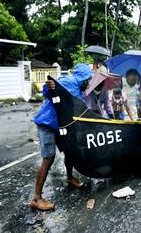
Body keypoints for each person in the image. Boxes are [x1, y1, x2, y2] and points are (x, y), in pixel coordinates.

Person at [30, 63, 93, 212]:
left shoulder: (79, 91)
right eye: (88, 79)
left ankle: (70, 177)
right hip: (47, 123)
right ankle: (36, 198)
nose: (89, 83)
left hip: (60, 126)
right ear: (83, 78)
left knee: (69, 150)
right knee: (48, 158)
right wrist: (50, 85)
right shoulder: (68, 81)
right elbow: (48, 89)